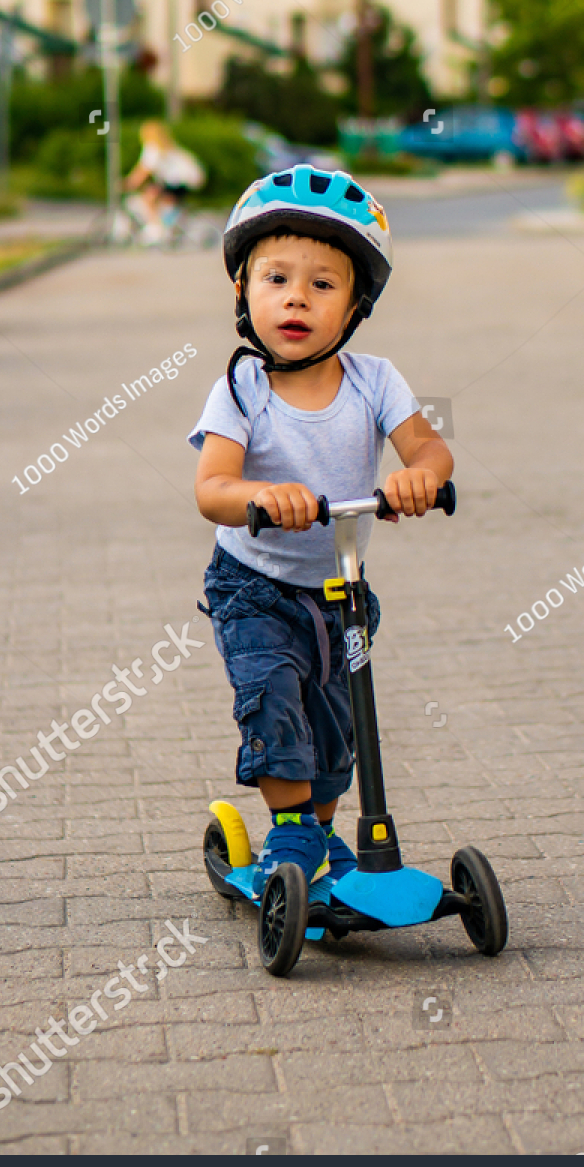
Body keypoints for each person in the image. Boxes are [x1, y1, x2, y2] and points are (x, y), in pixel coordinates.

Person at [188, 166, 453, 900]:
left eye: (323, 284)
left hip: (341, 587)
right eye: (276, 277)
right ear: (243, 292)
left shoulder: (375, 380)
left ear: (356, 306)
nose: (297, 296)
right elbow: (211, 489)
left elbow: (429, 449)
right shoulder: (240, 390)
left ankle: (322, 833)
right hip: (254, 585)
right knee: (275, 698)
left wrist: (417, 477)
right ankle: (293, 831)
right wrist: (262, 495)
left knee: (338, 726)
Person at [118, 120, 206, 246]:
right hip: (185, 183)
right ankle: (165, 226)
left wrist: (128, 183)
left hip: (179, 182)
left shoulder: (153, 147)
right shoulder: (167, 146)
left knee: (149, 198)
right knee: (158, 198)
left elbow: (144, 170)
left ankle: (156, 229)